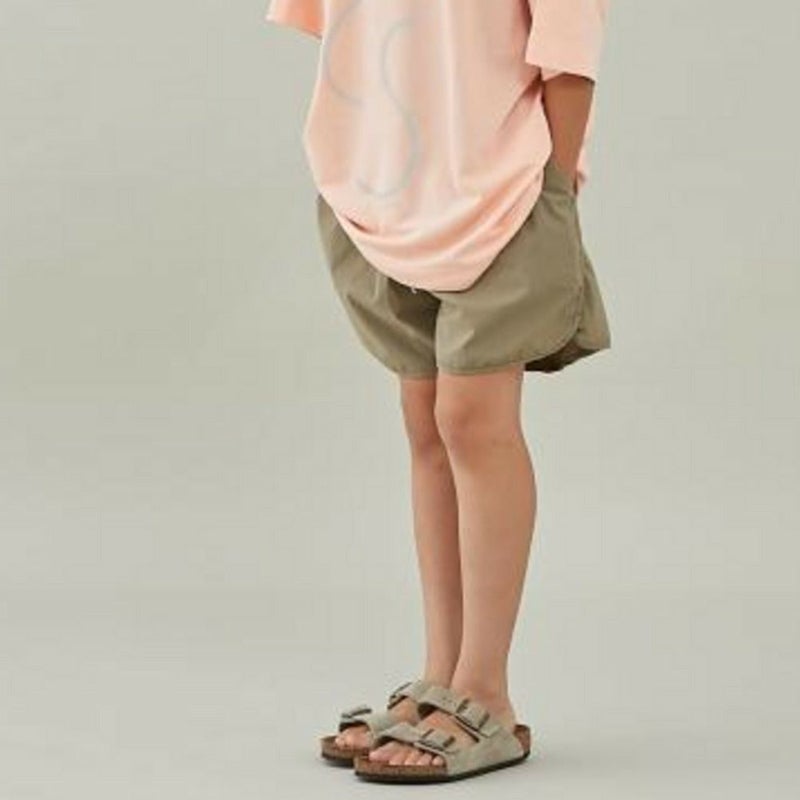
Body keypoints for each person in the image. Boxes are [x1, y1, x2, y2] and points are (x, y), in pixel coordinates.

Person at [266, 0, 612, 783]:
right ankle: (443, 677)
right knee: (425, 421)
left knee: (472, 420)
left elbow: (571, 45)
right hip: (384, 185)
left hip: (501, 186)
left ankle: (487, 690)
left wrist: (555, 186)